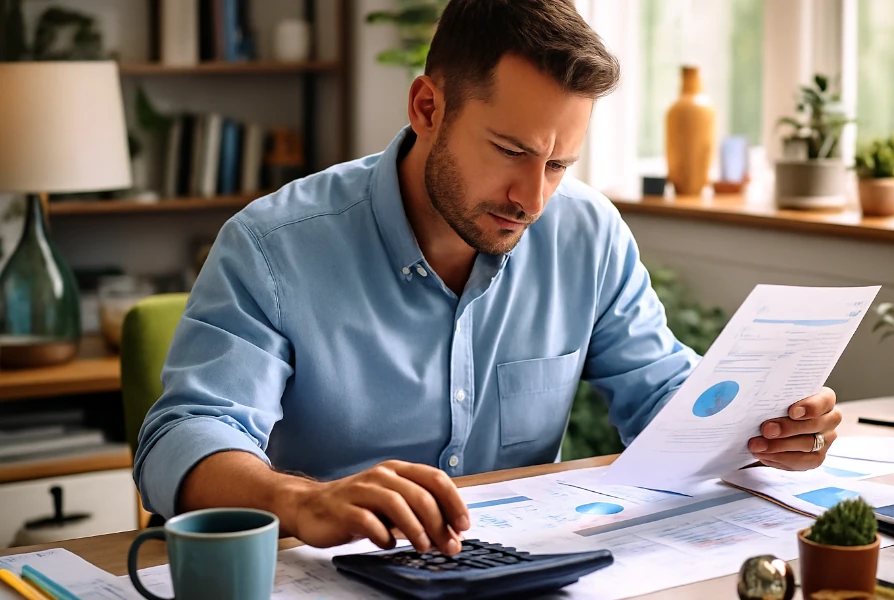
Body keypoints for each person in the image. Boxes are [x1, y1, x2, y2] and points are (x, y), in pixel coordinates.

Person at [135, 0, 842, 557]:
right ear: (426, 108)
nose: (532, 198)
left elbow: (660, 396)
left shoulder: (586, 233)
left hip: (519, 572)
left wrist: (765, 428)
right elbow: (184, 436)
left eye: (559, 164)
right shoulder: (273, 246)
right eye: (511, 151)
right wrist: (298, 501)